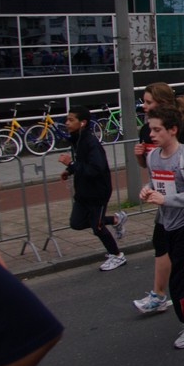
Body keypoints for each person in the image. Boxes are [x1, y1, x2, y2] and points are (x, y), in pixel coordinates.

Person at [132, 83, 184, 316]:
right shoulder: (150, 133)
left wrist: (180, 161)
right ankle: (161, 294)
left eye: (149, 102)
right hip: (168, 209)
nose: (144, 106)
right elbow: (153, 170)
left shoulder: (181, 135)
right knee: (177, 253)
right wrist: (147, 184)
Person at [57, 106, 127, 271]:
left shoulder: (90, 142)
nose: (67, 123)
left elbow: (96, 169)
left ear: (82, 122)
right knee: (76, 223)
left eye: (71, 120)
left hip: (97, 192)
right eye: (67, 119)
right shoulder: (77, 139)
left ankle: (117, 255)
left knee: (98, 227)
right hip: (83, 191)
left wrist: (71, 164)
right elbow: (82, 163)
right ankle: (115, 220)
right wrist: (70, 170)